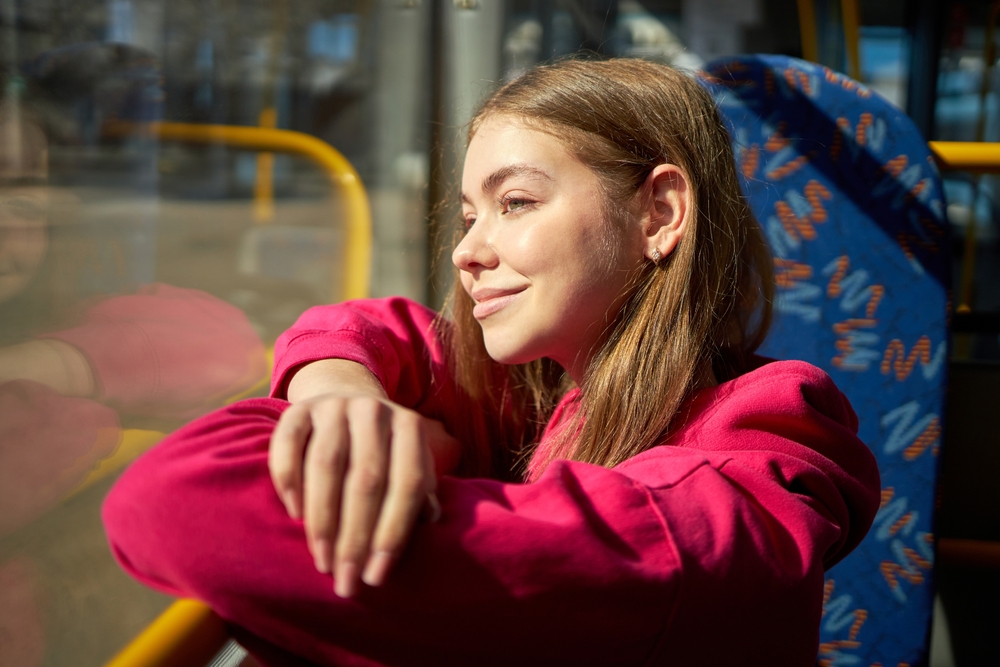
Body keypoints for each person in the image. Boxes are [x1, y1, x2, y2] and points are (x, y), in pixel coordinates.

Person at [103, 59, 881, 666]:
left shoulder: (734, 493)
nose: (465, 251)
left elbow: (167, 501)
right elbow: (388, 331)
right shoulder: (552, 393)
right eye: (470, 215)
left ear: (660, 212)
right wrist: (339, 391)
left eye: (515, 204)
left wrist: (426, 465)